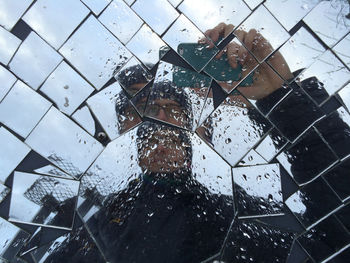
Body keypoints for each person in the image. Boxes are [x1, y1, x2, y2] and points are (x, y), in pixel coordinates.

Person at [41, 23, 350, 263]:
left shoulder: (234, 215)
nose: (160, 121)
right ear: (124, 127)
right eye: (146, 109)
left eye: (173, 110)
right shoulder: (92, 226)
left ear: (195, 130)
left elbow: (335, 244)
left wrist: (283, 101)